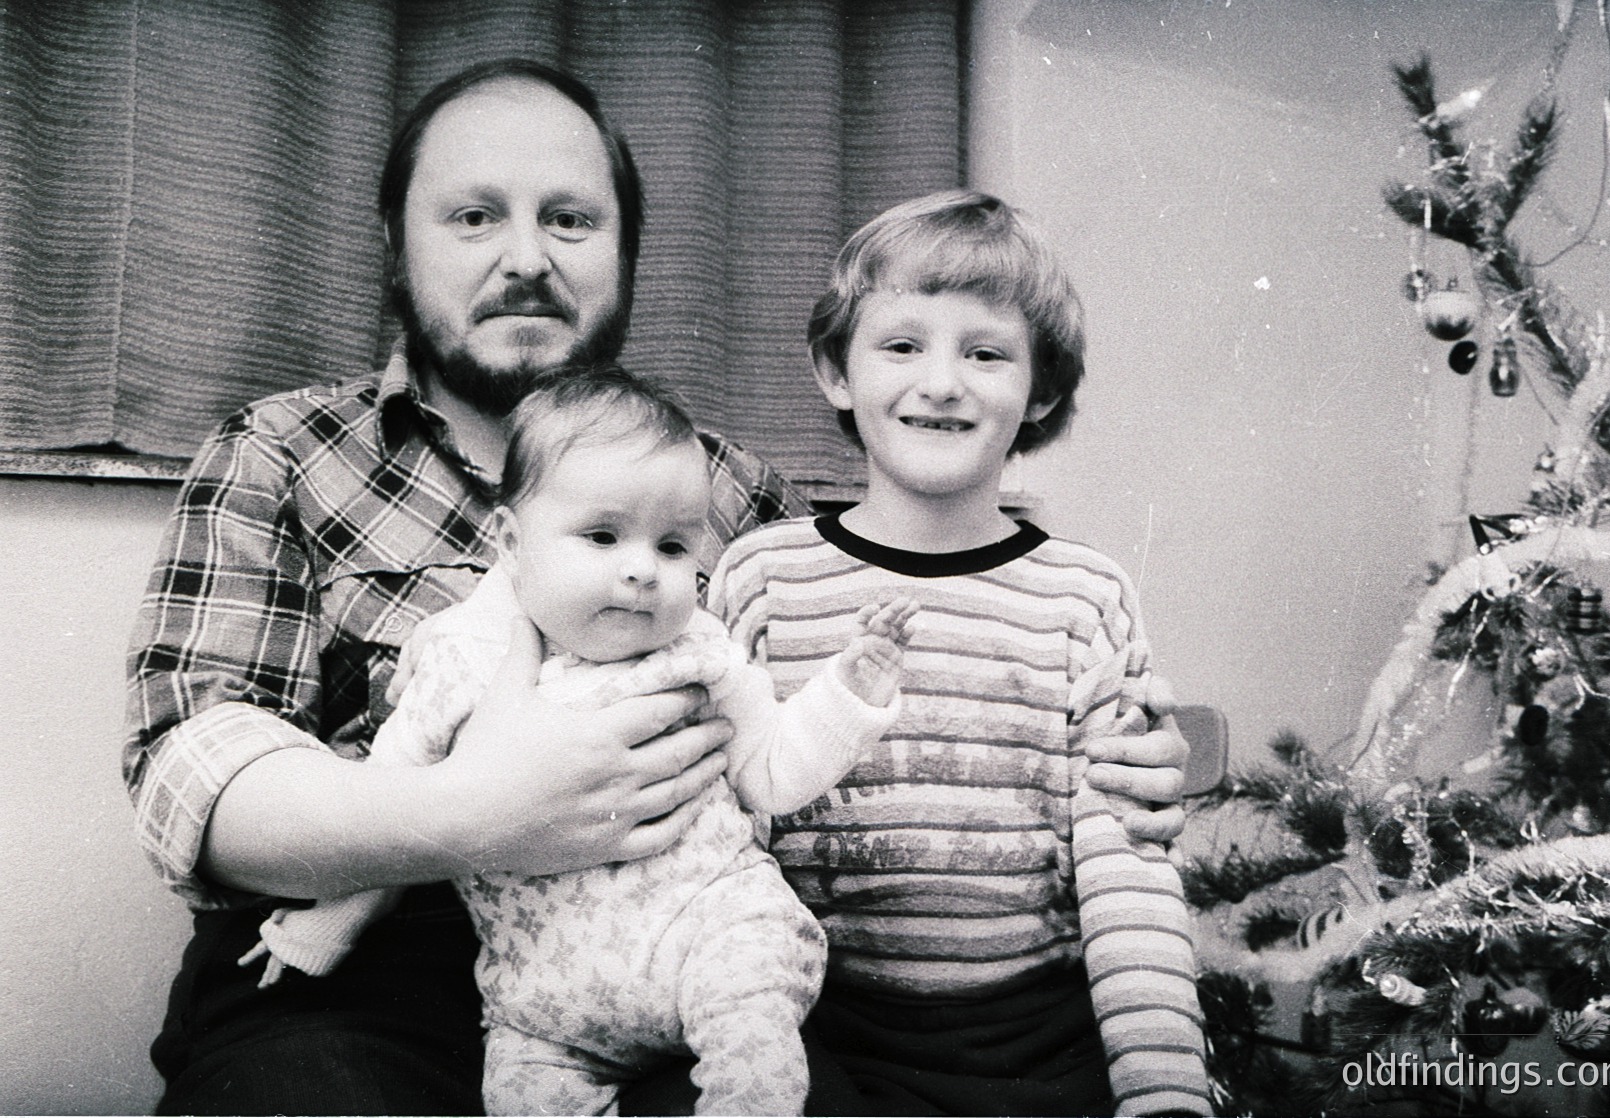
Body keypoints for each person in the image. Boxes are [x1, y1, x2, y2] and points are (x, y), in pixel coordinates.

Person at [123, 59, 1192, 1115]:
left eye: (571, 220)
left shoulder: (733, 494)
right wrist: (468, 813)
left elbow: (839, 734)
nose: (527, 257)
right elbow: (189, 765)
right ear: (395, 244)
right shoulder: (286, 451)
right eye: (475, 217)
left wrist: (1114, 757)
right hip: (353, 980)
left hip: (669, 975)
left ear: (626, 252)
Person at [240, 367, 917, 1116]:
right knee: (523, 1096)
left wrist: (848, 694)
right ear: (511, 541)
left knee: (756, 1048)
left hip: (713, 933)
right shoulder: (461, 663)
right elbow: (392, 807)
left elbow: (773, 774)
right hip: (546, 1000)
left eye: (673, 547)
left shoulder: (702, 651)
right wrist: (325, 924)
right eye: (602, 536)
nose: (641, 570)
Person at [703, 190, 1212, 1117]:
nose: (941, 383)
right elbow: (721, 834)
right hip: (803, 1022)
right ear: (836, 372)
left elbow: (1127, 870)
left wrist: (1166, 1091)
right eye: (902, 346)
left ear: (1041, 390)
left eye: (985, 353)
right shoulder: (761, 577)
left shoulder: (1084, 598)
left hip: (1035, 1039)